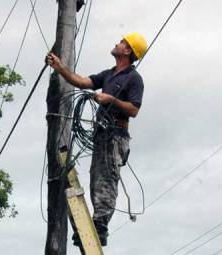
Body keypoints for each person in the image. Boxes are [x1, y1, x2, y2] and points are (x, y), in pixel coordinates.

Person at [45, 32, 147, 247]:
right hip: (102, 134)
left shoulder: (134, 78)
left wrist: (111, 100)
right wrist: (60, 67)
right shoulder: (109, 74)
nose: (116, 43)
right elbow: (82, 82)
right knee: (96, 178)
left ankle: (100, 227)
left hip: (116, 136)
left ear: (128, 51)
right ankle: (95, 223)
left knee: (106, 179)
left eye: (121, 42)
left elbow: (134, 110)